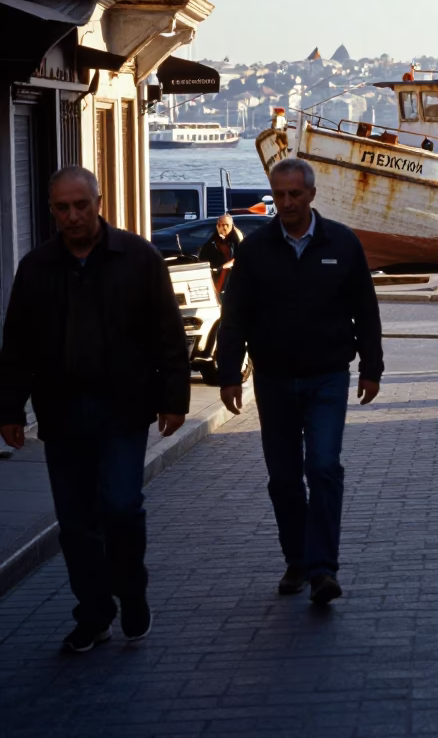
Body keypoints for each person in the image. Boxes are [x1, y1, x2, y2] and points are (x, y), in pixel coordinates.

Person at [0, 167, 189, 653]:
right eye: (62, 208)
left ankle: (131, 592)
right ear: (51, 210)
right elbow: (17, 346)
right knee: (77, 522)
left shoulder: (138, 257)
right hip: (62, 414)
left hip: (123, 409)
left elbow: (168, 335)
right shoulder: (37, 267)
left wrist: (174, 399)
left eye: (80, 205)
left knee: (122, 506)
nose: (72, 216)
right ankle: (94, 612)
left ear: (98, 201)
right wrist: (10, 410)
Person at [218, 158, 384, 605]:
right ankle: (298, 559)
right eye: (280, 195)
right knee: (285, 479)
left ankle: (323, 570)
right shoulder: (254, 251)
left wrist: (372, 368)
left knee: (324, 467)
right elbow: (234, 319)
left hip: (327, 377)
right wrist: (229, 375)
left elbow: (366, 310)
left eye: (295, 194)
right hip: (272, 380)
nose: (287, 203)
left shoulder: (342, 244)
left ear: (311, 195)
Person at [198, 214, 243, 293]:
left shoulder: (236, 241)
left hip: (233, 278)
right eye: (221, 225)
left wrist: (225, 266)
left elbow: (241, 257)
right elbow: (203, 259)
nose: (224, 228)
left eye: (227, 225)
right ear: (217, 226)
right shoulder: (212, 243)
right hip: (217, 277)